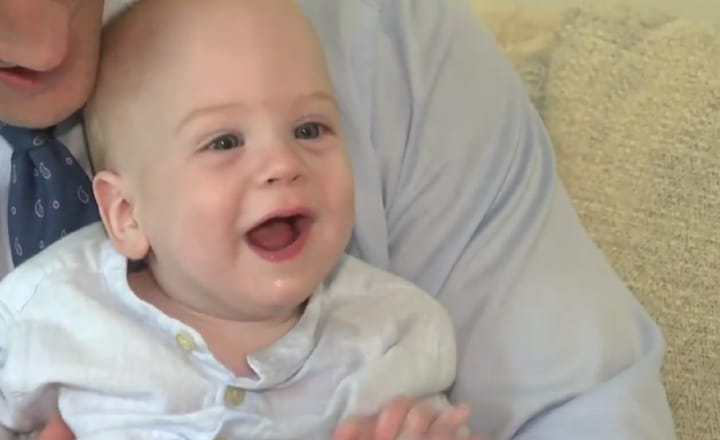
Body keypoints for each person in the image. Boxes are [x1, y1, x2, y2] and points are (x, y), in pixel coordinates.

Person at [0, 0, 676, 439]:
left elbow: (586, 407)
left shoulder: (390, 338)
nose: (44, 34)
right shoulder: (39, 318)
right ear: (123, 210)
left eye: (312, 128)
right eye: (224, 143)